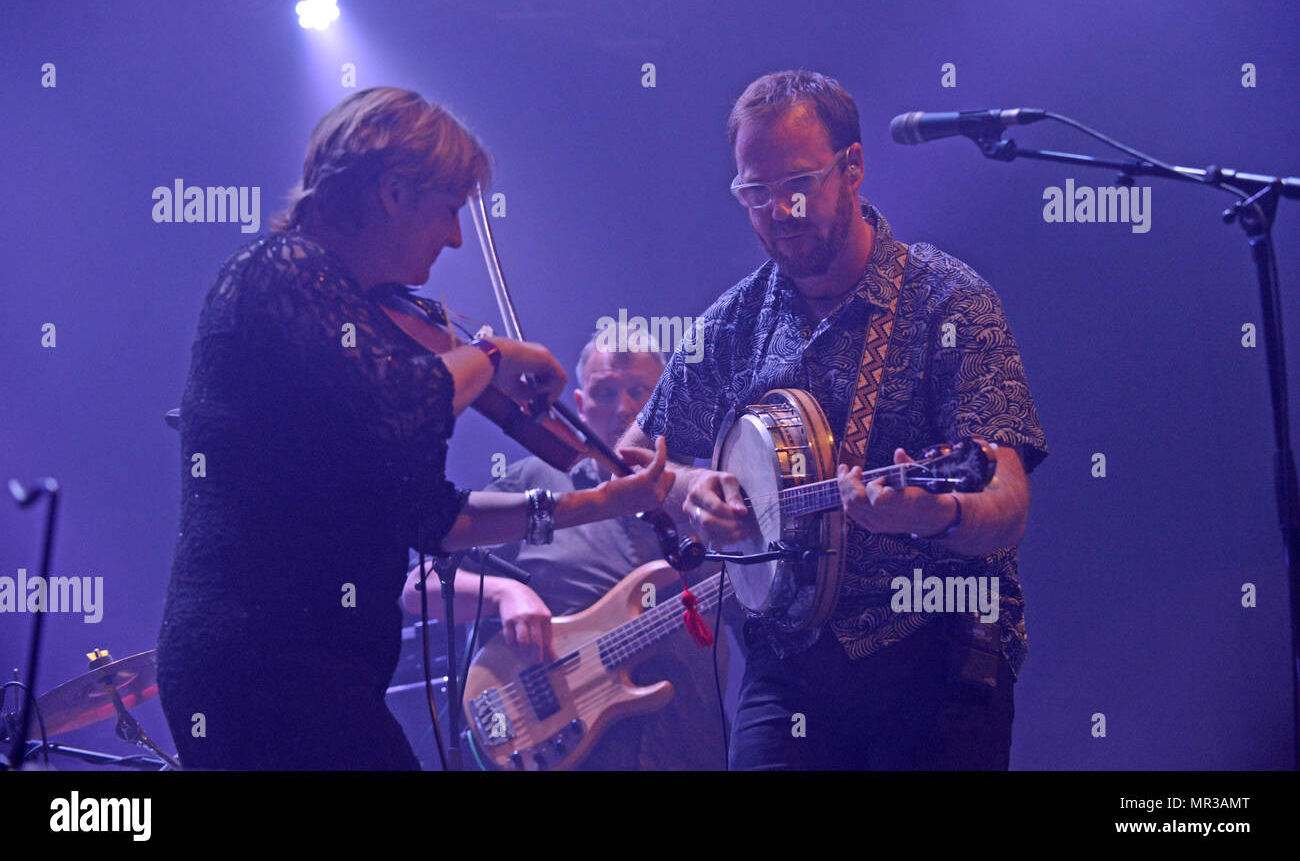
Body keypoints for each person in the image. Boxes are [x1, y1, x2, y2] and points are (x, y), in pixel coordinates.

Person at [156, 87, 672, 771]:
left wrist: (595, 504)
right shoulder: (280, 272)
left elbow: (438, 519)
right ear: (394, 193)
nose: (457, 235)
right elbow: (400, 398)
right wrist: (490, 356)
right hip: (261, 653)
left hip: (319, 661)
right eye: (449, 209)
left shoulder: (368, 322)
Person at [618, 70, 1048, 770]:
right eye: (754, 193)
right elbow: (634, 458)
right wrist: (688, 490)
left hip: (934, 653)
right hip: (788, 670)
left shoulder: (950, 303)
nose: (778, 209)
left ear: (853, 168)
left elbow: (1006, 502)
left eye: (798, 183)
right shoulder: (735, 321)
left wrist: (933, 514)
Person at [403, 332, 727, 770]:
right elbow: (418, 586)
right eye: (605, 392)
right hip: (569, 749)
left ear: (666, 398)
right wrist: (504, 594)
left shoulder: (703, 497)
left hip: (690, 745)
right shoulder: (533, 483)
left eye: (640, 392)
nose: (624, 409)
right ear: (578, 402)